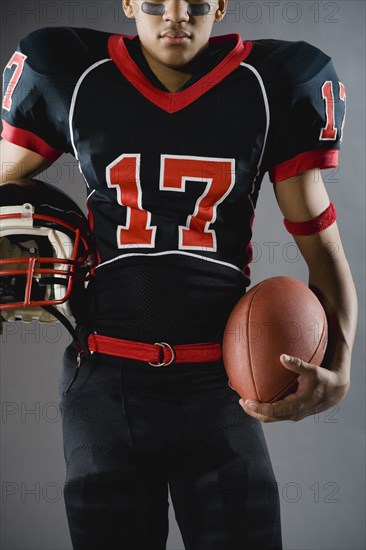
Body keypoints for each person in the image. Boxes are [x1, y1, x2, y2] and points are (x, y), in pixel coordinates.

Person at [0, 0, 357, 549]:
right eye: (153, 3)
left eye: (193, 4)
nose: (174, 17)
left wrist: (341, 363)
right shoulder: (73, 74)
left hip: (221, 384)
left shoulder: (270, 85)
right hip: (104, 380)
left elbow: (321, 246)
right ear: (127, 3)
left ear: (218, 5)